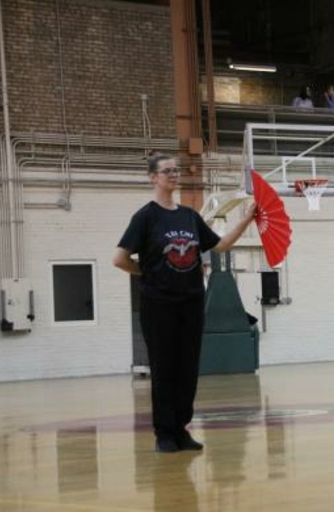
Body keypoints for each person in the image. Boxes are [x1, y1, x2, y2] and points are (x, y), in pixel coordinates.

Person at [113, 153, 257, 453]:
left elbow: (219, 245)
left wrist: (246, 219)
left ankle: (181, 430)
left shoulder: (190, 217)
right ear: (153, 177)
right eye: (167, 171)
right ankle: (164, 435)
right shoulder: (145, 217)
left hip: (191, 303)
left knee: (188, 369)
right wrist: (148, 271)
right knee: (164, 369)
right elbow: (120, 259)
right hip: (159, 305)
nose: (174, 175)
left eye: (176, 170)